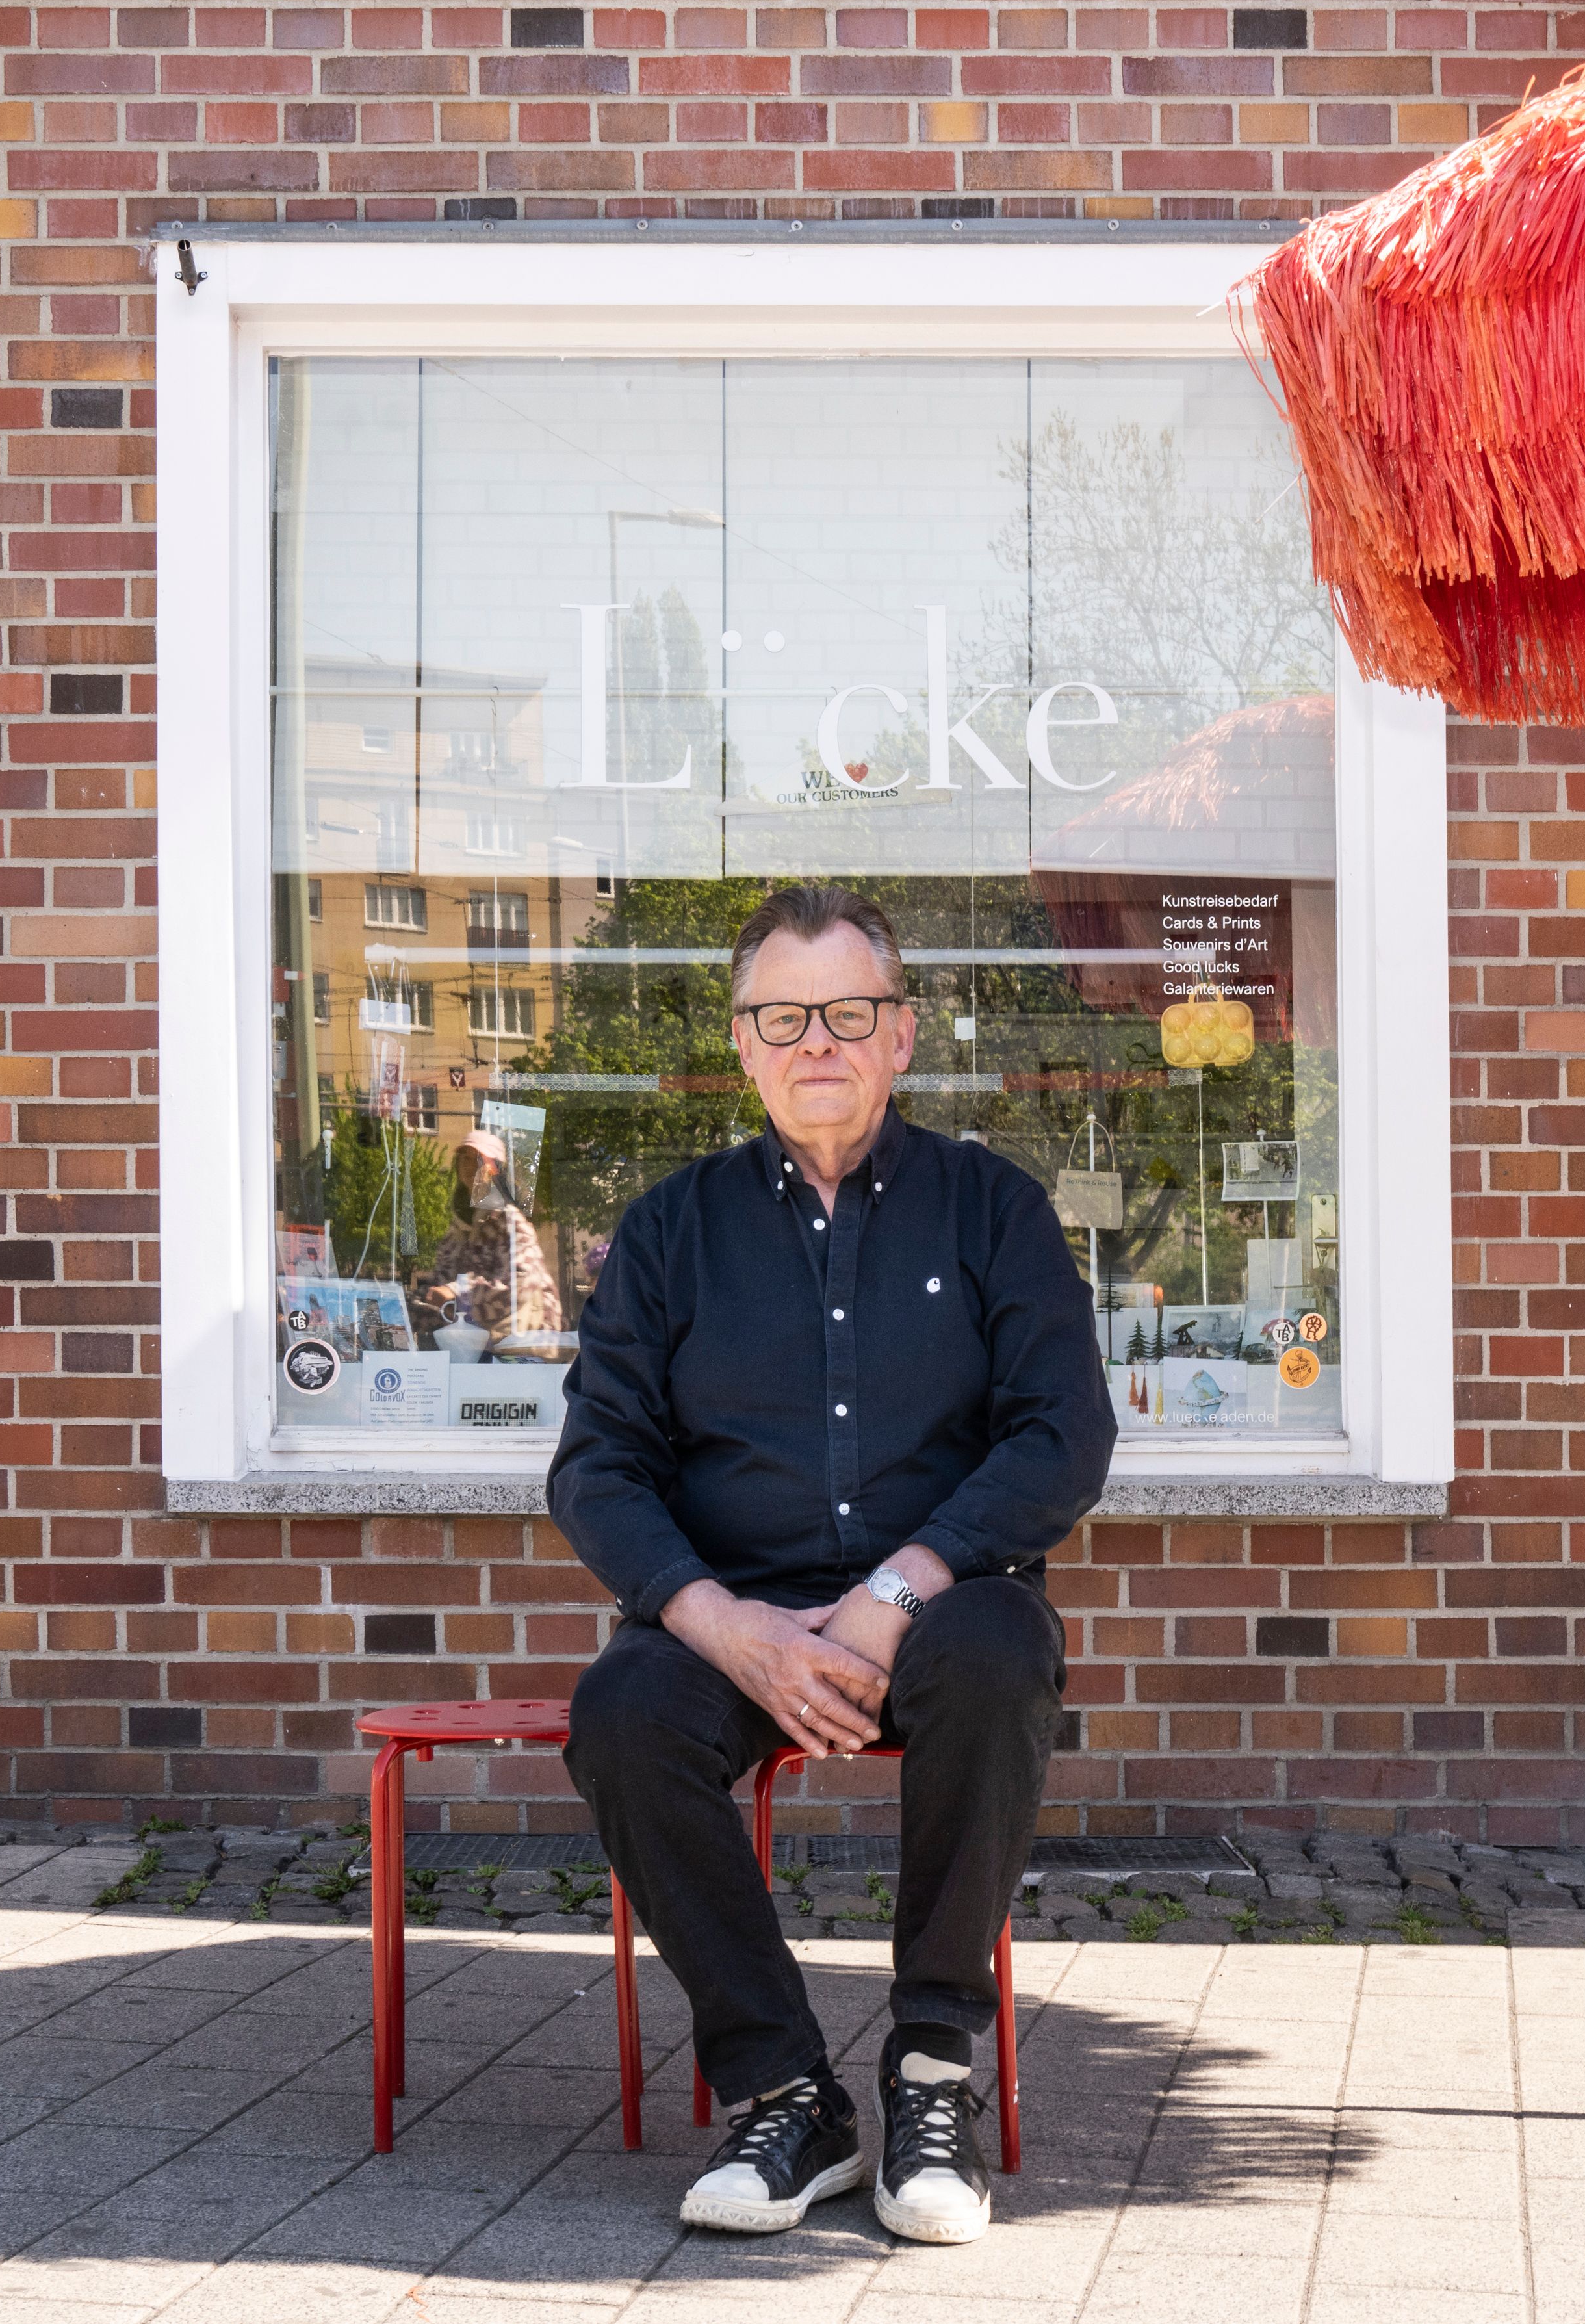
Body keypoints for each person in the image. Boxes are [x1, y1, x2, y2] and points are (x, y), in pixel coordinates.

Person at [549, 882, 1115, 2246]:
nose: (819, 1041)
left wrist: (896, 1590)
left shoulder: (993, 1209)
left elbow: (1064, 1432)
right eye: (785, 1015)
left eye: (849, 1012)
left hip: (938, 1607)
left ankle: (932, 2072)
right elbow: (596, 1465)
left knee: (998, 1653)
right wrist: (725, 1624)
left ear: (902, 1034)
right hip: (735, 1613)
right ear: (744, 1043)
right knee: (622, 1714)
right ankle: (785, 2087)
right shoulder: (674, 1230)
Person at [413, 1128, 561, 1343]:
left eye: (477, 1159)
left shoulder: (510, 1223)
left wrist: (456, 1291)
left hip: (526, 1346)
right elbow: (441, 1295)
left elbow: (519, 1288)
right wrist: (416, 1305)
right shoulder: (455, 1233)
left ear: (495, 1169)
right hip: (474, 1345)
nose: (468, 1166)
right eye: (464, 1159)